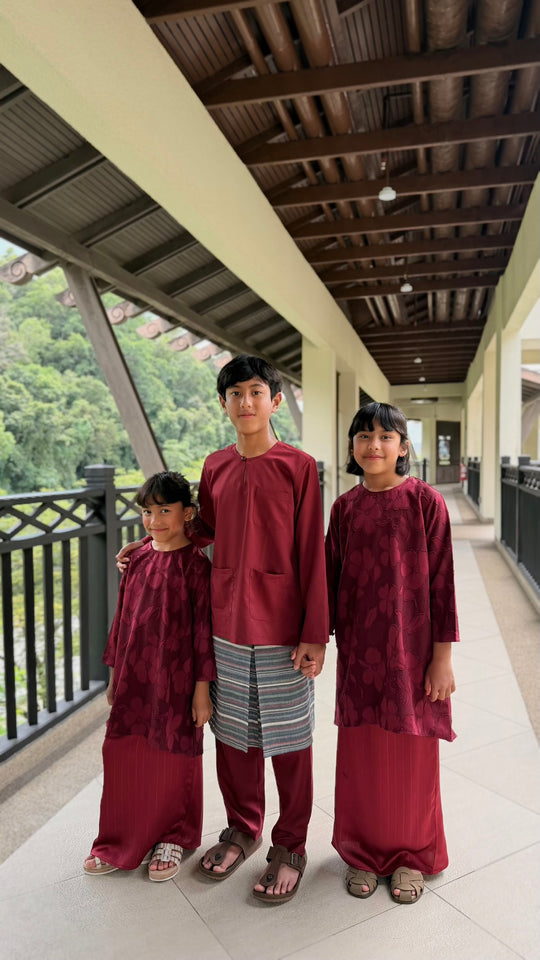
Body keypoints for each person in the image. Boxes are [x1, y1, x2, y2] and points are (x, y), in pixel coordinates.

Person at [118, 354, 328, 904]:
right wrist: (147, 543)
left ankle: (291, 843)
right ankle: (243, 827)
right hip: (225, 619)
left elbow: (312, 549)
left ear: (275, 401)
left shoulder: (299, 466)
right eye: (235, 394)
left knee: (290, 739)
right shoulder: (214, 466)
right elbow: (200, 531)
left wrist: (315, 633)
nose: (245, 402)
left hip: (283, 624)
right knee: (234, 734)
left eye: (256, 392)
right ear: (223, 403)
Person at [325, 402, 458, 905]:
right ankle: (361, 851)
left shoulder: (426, 502)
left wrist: (442, 658)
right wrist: (316, 639)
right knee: (361, 752)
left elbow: (443, 584)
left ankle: (411, 854)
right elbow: (328, 581)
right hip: (360, 651)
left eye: (386, 436)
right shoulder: (344, 509)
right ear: (353, 447)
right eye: (364, 436)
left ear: (403, 447)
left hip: (414, 650)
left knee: (411, 753)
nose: (374, 445)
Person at [84, 471, 215, 882]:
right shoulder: (137, 559)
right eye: (147, 511)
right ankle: (118, 837)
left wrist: (202, 691)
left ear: (187, 513)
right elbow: (122, 620)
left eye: (164, 510)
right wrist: (114, 675)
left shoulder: (197, 567)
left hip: (179, 678)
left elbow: (202, 633)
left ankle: (172, 835)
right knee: (124, 753)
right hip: (135, 675)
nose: (154, 520)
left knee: (172, 755)